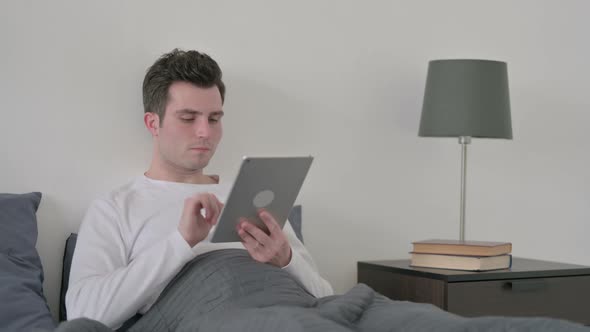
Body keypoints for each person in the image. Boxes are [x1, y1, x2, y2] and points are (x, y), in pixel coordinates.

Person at [65, 49, 333, 330]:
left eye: (214, 119)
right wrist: (181, 242)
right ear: (152, 123)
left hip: (295, 313)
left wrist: (287, 260)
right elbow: (83, 314)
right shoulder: (117, 208)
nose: (205, 132)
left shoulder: (253, 193)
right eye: (188, 118)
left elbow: (327, 296)